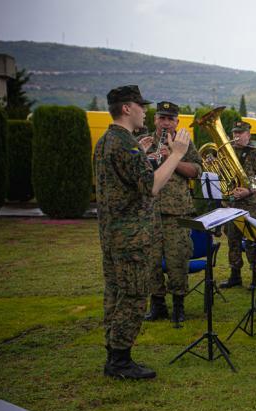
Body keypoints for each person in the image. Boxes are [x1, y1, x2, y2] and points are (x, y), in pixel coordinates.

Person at [95, 85, 190, 380]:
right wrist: (176, 154)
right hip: (131, 236)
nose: (145, 110)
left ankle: (114, 354)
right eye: (140, 105)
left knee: (116, 292)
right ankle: (121, 361)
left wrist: (146, 154)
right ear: (127, 108)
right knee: (134, 296)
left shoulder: (107, 140)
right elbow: (150, 186)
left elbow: (126, 181)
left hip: (113, 234)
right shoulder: (124, 143)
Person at [141, 101, 202, 325]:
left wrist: (173, 158)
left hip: (177, 212)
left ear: (177, 122)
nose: (165, 122)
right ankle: (157, 305)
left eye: (170, 119)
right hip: (149, 211)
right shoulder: (145, 142)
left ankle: (178, 306)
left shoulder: (184, 142)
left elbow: (196, 170)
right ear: (155, 119)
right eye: (161, 118)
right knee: (151, 261)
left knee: (178, 260)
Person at [220, 120, 256, 290]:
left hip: (251, 204)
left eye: (241, 133)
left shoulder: (255, 153)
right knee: (233, 240)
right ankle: (235, 275)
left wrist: (249, 190)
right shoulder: (226, 152)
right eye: (235, 133)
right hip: (232, 203)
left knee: (252, 241)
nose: (237, 136)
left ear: (248, 135)